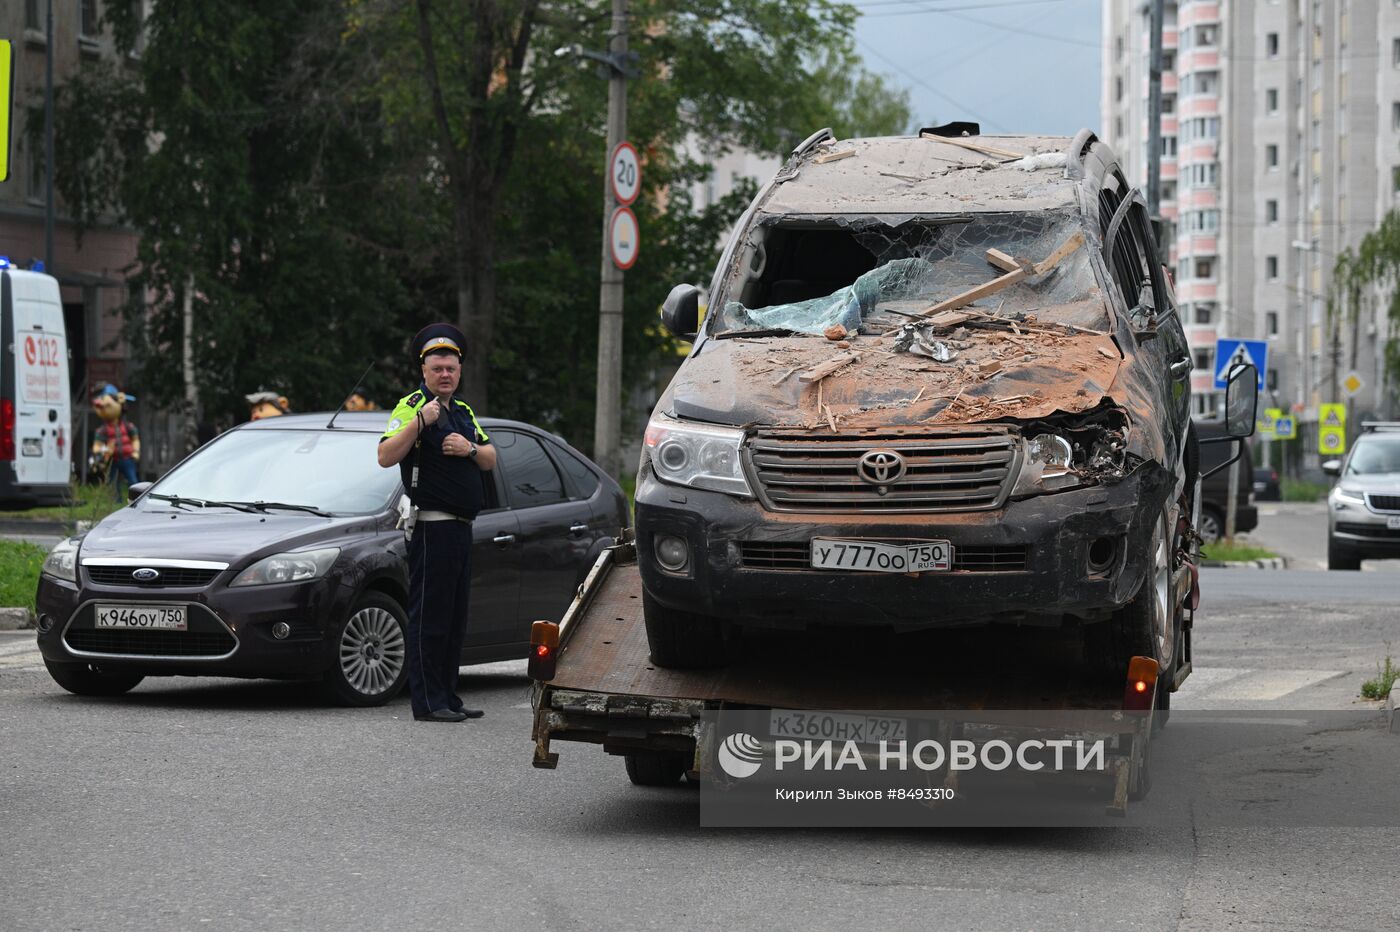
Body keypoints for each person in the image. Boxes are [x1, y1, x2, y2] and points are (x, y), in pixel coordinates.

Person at [377, 323, 497, 723]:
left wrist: (468, 448)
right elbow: (385, 455)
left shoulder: (462, 411)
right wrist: (421, 423)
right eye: (437, 368)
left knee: (455, 617)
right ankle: (428, 701)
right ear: (423, 371)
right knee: (430, 616)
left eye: (451, 368)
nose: (445, 375)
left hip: (461, 527)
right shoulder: (411, 405)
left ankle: (448, 695)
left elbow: (491, 458)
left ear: (459, 371)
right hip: (432, 527)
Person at [91, 384, 140, 498]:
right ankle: (114, 502)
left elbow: (135, 439)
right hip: (113, 460)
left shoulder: (127, 426)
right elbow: (96, 446)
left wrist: (136, 451)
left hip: (128, 458)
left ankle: (137, 500)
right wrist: (104, 451)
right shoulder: (102, 430)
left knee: (133, 481)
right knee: (112, 483)